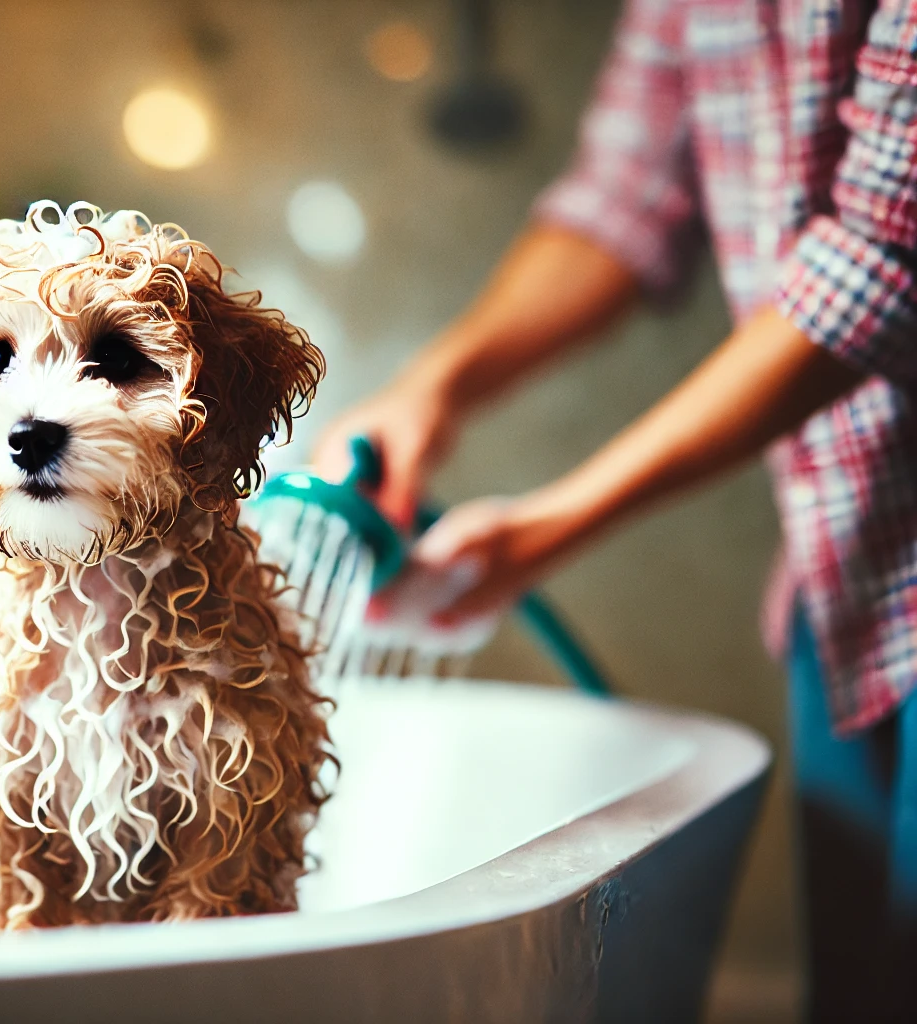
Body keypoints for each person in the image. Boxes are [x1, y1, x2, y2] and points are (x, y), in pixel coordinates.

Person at [310, 1, 917, 1018]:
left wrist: (553, 524)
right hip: (846, 577)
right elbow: (620, 201)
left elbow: (879, 264)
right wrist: (433, 385)